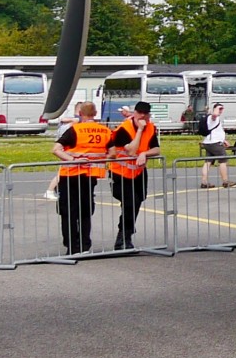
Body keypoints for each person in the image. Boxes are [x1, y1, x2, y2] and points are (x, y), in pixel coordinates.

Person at [53, 101, 114, 254]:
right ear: (95, 114)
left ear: (80, 113)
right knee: (85, 211)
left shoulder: (75, 130)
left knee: (68, 212)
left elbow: (56, 149)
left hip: (71, 174)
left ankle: (72, 246)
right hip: (90, 176)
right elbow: (112, 154)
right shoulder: (105, 131)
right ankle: (84, 244)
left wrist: (72, 159)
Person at [105, 100, 160, 252]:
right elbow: (131, 150)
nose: (142, 116)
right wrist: (140, 130)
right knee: (130, 202)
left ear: (148, 115)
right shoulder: (124, 129)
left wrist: (145, 153)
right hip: (120, 173)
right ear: (134, 113)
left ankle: (127, 232)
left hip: (138, 172)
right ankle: (123, 237)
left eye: (145, 114)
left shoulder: (151, 127)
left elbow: (156, 149)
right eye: (139, 113)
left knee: (137, 200)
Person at [199, 102, 235, 189]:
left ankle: (204, 182)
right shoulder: (212, 118)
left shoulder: (212, 119)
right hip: (215, 143)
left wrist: (223, 140)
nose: (221, 110)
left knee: (208, 162)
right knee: (223, 160)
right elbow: (214, 115)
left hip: (209, 142)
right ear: (215, 109)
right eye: (220, 108)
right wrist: (216, 110)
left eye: (222, 109)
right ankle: (225, 181)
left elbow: (216, 131)